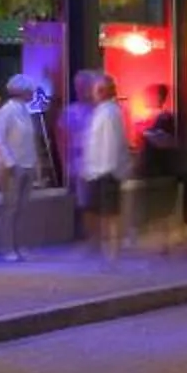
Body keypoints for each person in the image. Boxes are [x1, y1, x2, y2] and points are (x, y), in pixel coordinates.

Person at [78, 76, 133, 265]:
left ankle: (112, 252)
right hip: (98, 170)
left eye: (97, 89)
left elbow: (111, 144)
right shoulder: (103, 111)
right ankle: (104, 249)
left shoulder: (109, 112)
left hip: (105, 171)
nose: (93, 93)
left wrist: (108, 170)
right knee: (100, 212)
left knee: (110, 214)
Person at [0, 75, 44, 259]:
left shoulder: (25, 111)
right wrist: (10, 163)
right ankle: (7, 247)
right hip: (12, 167)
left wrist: (35, 164)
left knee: (23, 208)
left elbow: (30, 140)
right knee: (10, 208)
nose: (32, 93)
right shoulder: (7, 111)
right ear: (20, 92)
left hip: (26, 165)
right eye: (29, 90)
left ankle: (20, 245)